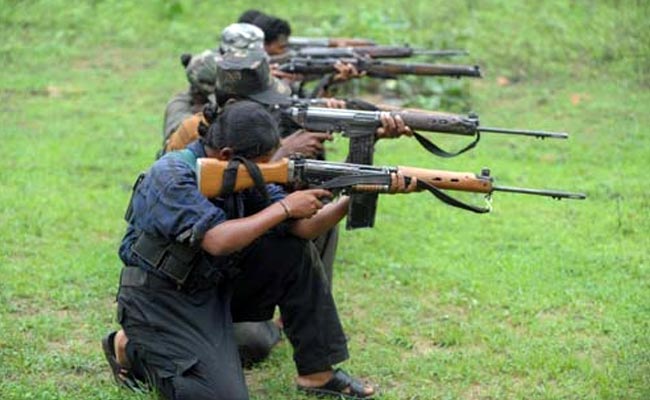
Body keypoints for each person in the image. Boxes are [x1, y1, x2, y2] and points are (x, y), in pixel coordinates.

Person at [103, 100, 416, 399]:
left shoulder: (241, 171)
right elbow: (217, 239)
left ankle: (316, 373)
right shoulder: (171, 175)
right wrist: (284, 209)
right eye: (264, 166)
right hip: (164, 297)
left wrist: (356, 192)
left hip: (214, 281)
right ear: (227, 154)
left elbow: (303, 229)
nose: (269, 172)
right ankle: (129, 346)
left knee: (291, 250)